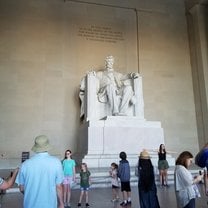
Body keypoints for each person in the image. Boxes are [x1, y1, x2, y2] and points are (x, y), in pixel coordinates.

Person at [16, 135, 64, 208]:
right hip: (49, 205)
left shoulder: (25, 164)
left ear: (36, 147)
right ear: (47, 146)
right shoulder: (56, 162)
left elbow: (21, 188)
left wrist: (31, 194)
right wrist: (61, 204)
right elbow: (59, 186)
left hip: (30, 205)